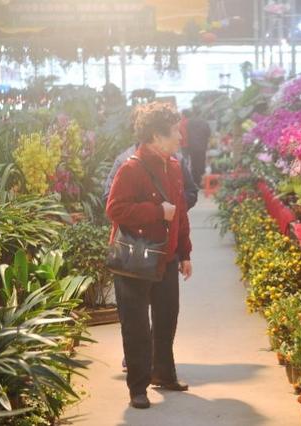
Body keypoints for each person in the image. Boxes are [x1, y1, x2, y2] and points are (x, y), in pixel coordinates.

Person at [106, 102, 192, 409]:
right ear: (156, 136)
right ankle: (138, 388)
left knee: (167, 318)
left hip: (165, 258)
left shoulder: (174, 165)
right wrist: (156, 212)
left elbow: (179, 213)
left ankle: (163, 374)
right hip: (136, 261)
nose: (181, 137)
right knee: (136, 325)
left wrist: (184, 252)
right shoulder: (131, 168)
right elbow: (114, 209)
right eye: (175, 132)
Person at [103, 107, 199, 210]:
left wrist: (175, 205)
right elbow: (109, 198)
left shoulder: (177, 160)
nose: (180, 136)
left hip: (171, 223)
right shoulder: (125, 161)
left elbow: (191, 191)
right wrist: (155, 211)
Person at [180, 109, 211, 186]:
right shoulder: (204, 122)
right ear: (200, 113)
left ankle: (195, 182)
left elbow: (185, 133)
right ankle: (202, 182)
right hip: (202, 146)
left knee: (194, 164)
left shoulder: (189, 122)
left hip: (192, 146)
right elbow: (208, 133)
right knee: (201, 163)